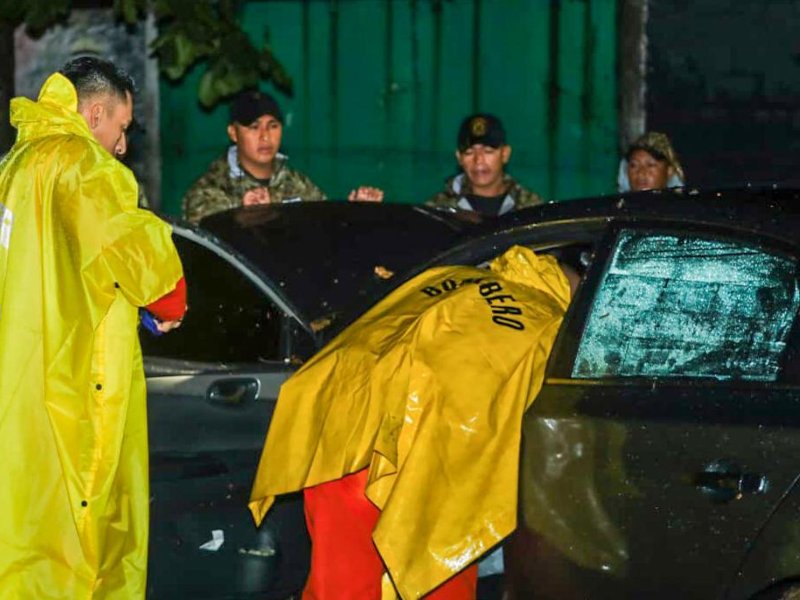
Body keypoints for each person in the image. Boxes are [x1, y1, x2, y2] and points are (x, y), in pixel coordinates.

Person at [249, 245, 579, 599]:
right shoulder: (549, 325)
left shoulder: (451, 277)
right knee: (429, 581)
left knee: (341, 585)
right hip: (429, 468)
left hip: (340, 443)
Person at [0, 56, 185, 597]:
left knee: (24, 533)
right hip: (70, 389)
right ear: (96, 113)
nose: (122, 146)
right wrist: (166, 306)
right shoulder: (82, 166)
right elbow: (145, 264)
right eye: (121, 129)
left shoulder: (16, 165)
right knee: (82, 544)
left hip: (20, 383)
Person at [183, 89, 384, 224]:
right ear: (233, 133)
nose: (265, 136)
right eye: (254, 127)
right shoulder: (209, 191)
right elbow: (212, 254)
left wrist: (356, 212)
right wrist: (244, 217)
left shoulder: (297, 184)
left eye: (273, 126)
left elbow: (326, 235)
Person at [426, 113, 544, 216]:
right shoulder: (439, 210)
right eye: (469, 152)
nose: (478, 160)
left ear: (505, 154)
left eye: (488, 151)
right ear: (459, 157)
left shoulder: (531, 208)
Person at [617, 131, 685, 192]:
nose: (641, 173)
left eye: (650, 165)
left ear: (669, 171)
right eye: (634, 165)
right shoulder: (615, 205)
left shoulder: (684, 205)